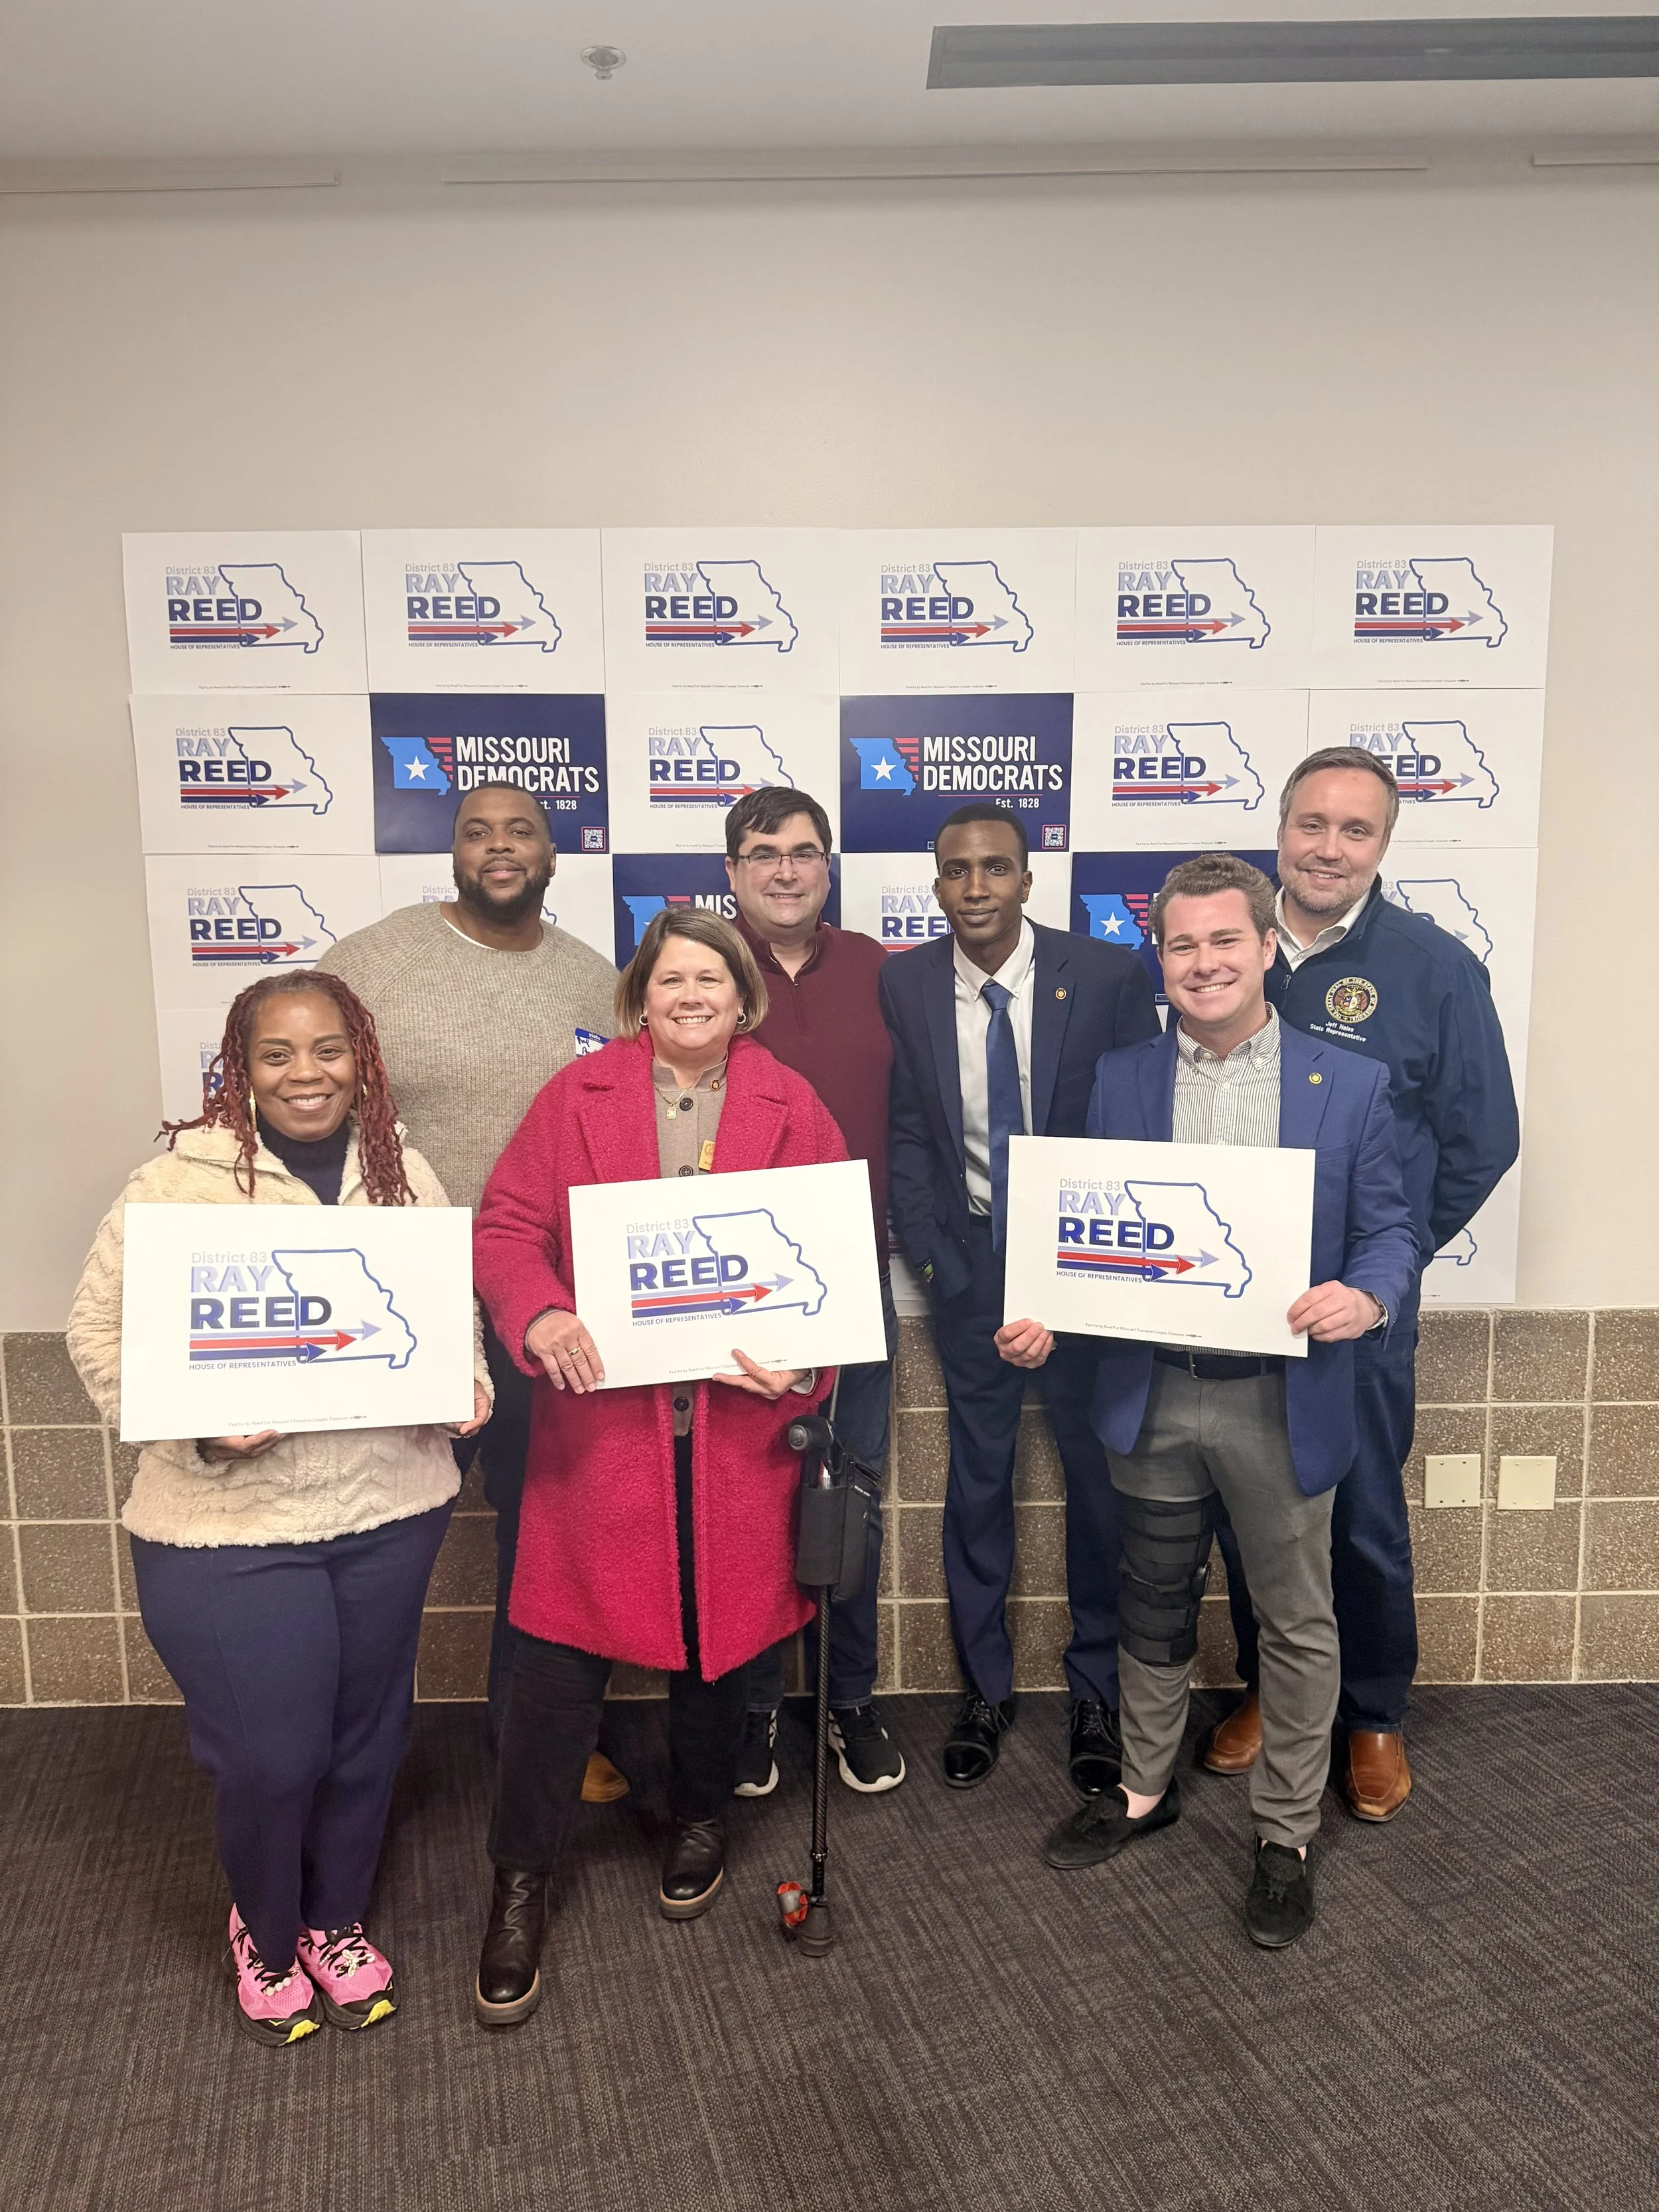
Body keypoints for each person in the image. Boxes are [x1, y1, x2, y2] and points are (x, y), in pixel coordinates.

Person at [65, 972, 492, 2043]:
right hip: (227, 1529)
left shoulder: (407, 1175)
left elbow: (451, 1320)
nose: (307, 1075)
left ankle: (335, 1921)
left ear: (364, 1059)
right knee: (271, 1755)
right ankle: (264, 1927)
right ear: (240, 1068)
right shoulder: (174, 1186)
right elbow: (97, 1336)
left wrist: (466, 1382)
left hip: (391, 1509)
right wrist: (197, 1425)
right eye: (278, 1055)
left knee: (367, 1740)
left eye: (329, 1050)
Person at [1009, 855, 1417, 1947]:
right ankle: (1144, 1791)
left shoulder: (1352, 1084)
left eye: (1224, 941)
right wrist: (1046, 1308)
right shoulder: (1123, 1078)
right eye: (1181, 945)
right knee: (1151, 1606)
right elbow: (1088, 1230)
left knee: (1294, 1621)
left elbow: (1391, 1232)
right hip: (1153, 1394)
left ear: (1267, 947)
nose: (1204, 963)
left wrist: (1367, 1295)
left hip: (1283, 1401)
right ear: (1162, 958)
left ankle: (1283, 1833)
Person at [469, 909, 851, 2028]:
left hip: (734, 1439)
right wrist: (535, 1317)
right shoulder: (575, 1096)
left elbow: (833, 1261)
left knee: (718, 1644)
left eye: (712, 978)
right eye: (671, 977)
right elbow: (506, 1228)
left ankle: (699, 1816)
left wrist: (801, 1369)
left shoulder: (794, 1106)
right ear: (643, 993)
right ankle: (519, 1881)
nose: (692, 994)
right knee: (550, 1668)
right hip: (603, 1432)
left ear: (744, 994)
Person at [1202, 748, 1519, 1822]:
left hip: (1360, 1314)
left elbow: (1484, 1140)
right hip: (1240, 1303)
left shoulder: (1435, 969)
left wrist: (1393, 1263)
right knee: (1256, 1505)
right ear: (1279, 829)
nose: (1328, 848)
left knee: (1365, 1514)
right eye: (1311, 824)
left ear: (1383, 845)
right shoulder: (1225, 950)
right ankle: (1272, 1692)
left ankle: (1375, 1714)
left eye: (1355, 831)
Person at [317, 779, 628, 1805]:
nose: (500, 848)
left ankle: (529, 1737)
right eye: (477, 832)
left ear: (554, 855)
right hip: (405, 1307)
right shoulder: (370, 964)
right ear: (452, 853)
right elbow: (306, 1103)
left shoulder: (598, 982)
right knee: (374, 1529)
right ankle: (349, 1748)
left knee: (545, 1535)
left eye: (522, 833)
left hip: (540, 1310)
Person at [879, 802, 1161, 1793]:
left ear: (1029, 880)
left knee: (1100, 1488)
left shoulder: (1112, 975)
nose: (977, 888)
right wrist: (937, 1268)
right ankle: (985, 1688)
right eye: (957, 871)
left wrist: (1091, 1278)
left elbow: (1138, 1131)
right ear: (938, 883)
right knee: (979, 1486)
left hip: (1089, 1274)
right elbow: (910, 1132)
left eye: (997, 868)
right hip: (970, 1277)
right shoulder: (905, 981)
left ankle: (1095, 1690)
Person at [723, 784, 903, 1796]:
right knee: (751, 1501)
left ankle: (850, 1704)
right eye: (762, 853)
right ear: (733, 871)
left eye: (802, 852)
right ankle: (753, 1713)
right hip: (736, 1292)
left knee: (853, 1497)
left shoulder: (882, 970)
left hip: (855, 1284)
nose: (784, 870)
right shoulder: (700, 972)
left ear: (828, 864)